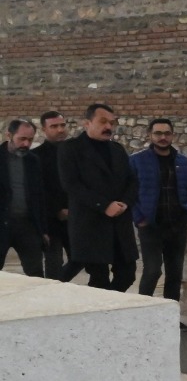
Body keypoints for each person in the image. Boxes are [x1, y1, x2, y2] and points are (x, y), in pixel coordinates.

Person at [56, 103, 138, 292]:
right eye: (103, 121)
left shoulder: (117, 149)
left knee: (127, 274)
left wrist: (124, 203)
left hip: (119, 224)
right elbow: (71, 185)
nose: (108, 127)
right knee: (98, 279)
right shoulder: (71, 149)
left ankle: (106, 309)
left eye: (112, 122)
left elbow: (132, 181)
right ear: (87, 123)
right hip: (90, 225)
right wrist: (104, 205)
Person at [129, 118, 187, 316]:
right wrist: (139, 218)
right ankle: (141, 314)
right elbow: (129, 192)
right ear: (150, 135)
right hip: (150, 225)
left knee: (175, 274)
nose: (162, 137)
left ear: (172, 135)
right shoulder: (137, 161)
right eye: (158, 133)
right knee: (152, 271)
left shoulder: (182, 162)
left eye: (166, 133)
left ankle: (170, 317)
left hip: (177, 225)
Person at [1, 119, 48, 277]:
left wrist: (43, 230)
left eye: (30, 139)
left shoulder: (33, 161)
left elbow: (40, 196)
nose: (26, 144)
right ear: (9, 135)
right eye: (22, 139)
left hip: (27, 225)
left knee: (35, 274)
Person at [34, 110, 77, 281]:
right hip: (50, 220)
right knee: (53, 262)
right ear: (44, 129)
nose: (60, 130)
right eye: (54, 126)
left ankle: (58, 285)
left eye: (62, 125)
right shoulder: (36, 157)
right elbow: (38, 190)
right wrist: (57, 210)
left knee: (81, 257)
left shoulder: (76, 152)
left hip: (76, 216)